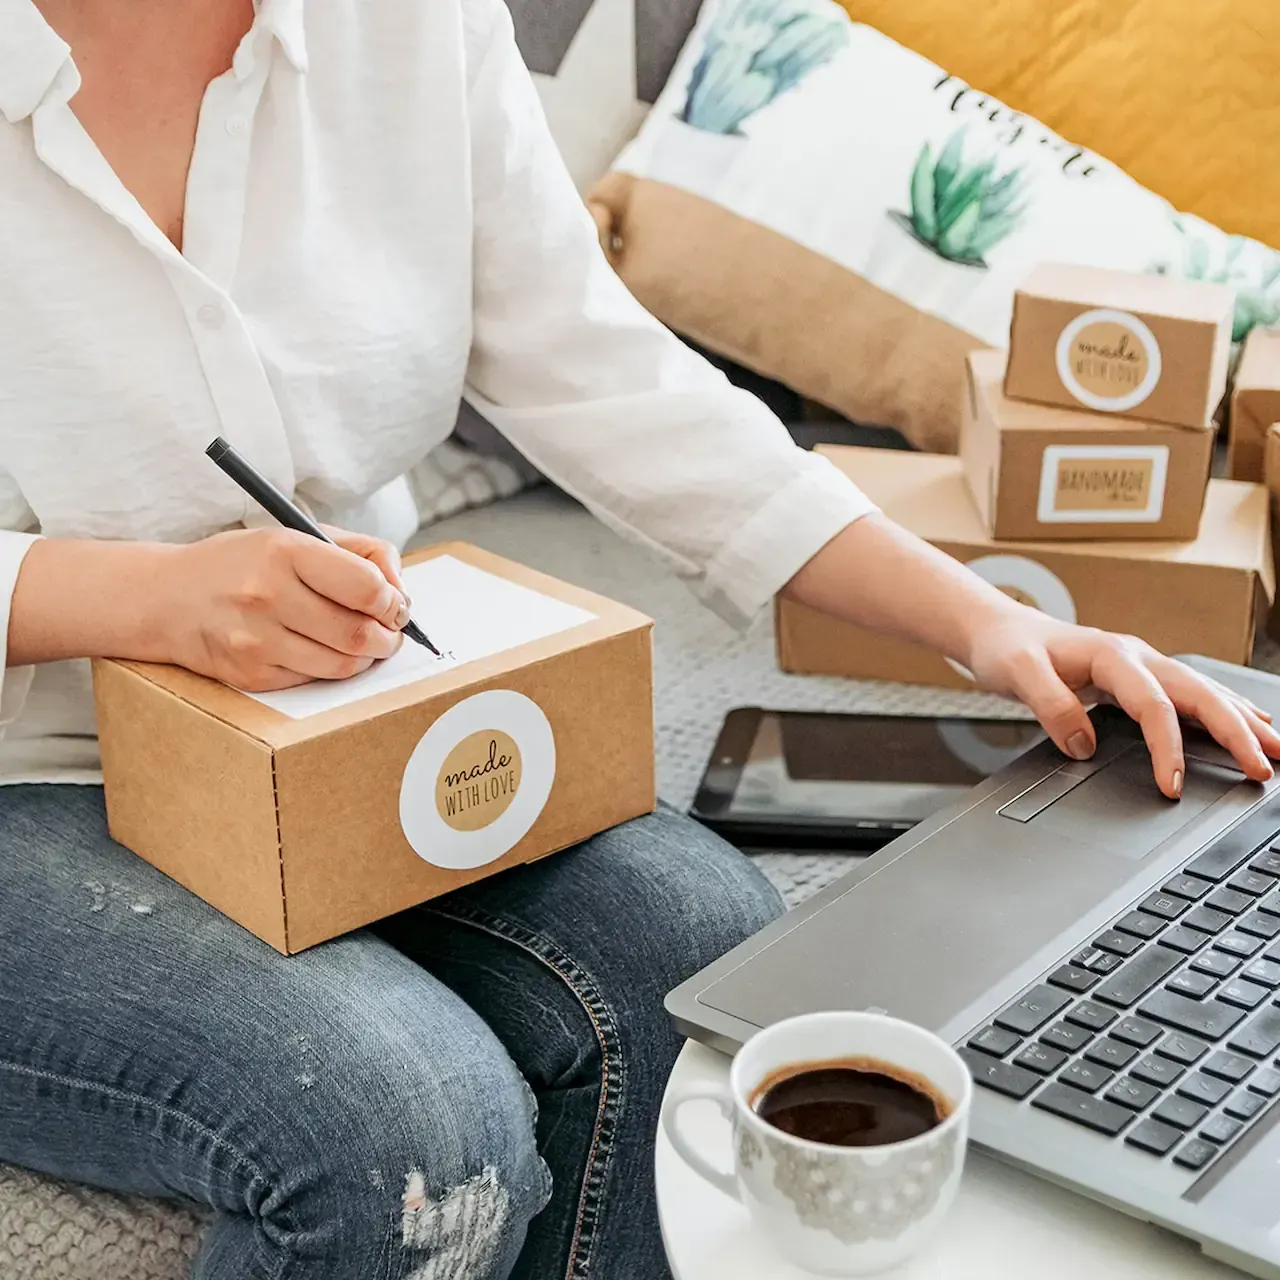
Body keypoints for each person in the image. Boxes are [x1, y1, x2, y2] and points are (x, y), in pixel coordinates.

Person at [0, 1, 1275, 1277]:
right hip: (33, 772)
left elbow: (599, 368)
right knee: (410, 1131)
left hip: (342, 714)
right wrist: (144, 598)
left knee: (703, 956)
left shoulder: (409, 22)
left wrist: (992, 625)